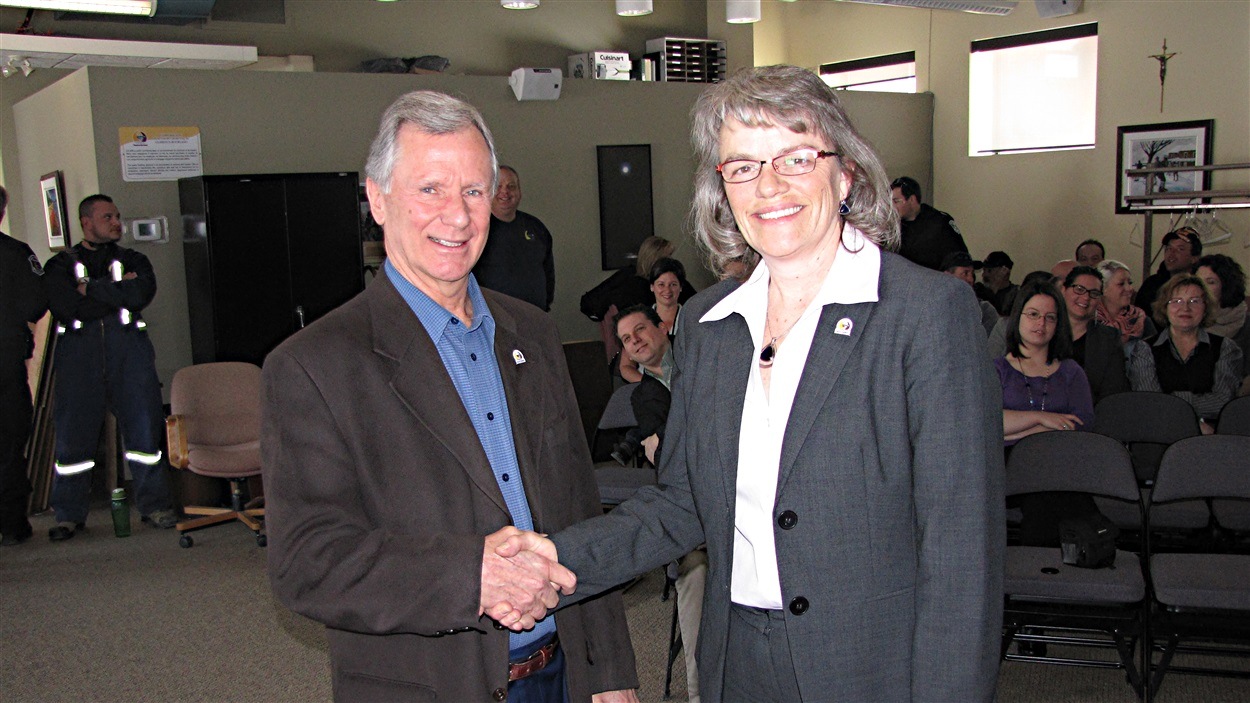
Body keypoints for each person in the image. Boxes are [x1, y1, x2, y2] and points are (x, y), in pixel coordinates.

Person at [506, 65, 1003, 702]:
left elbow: (963, 555)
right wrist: (552, 558)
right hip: (737, 660)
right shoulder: (711, 324)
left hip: (873, 669)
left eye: (795, 156)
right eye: (742, 166)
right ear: (723, 189)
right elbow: (681, 503)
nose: (768, 186)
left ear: (844, 171)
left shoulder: (926, 316)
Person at [261, 90, 638, 702]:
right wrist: (473, 577)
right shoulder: (312, 367)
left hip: (561, 674)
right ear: (377, 200)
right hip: (430, 685)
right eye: (429, 189)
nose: (457, 216)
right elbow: (308, 561)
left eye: (473, 191)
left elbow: (577, 509)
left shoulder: (535, 336)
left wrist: (610, 671)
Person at [43, 194, 178, 542]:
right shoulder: (59, 266)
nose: (116, 222)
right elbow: (67, 305)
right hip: (79, 363)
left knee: (145, 436)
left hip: (130, 360)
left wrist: (91, 290)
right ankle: (68, 515)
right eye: (107, 217)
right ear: (86, 221)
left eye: (117, 216)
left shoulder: (135, 259)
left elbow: (140, 294)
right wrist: (114, 292)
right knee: (73, 441)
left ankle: (155, 506)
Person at [613, 304, 708, 702]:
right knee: (695, 570)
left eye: (640, 330)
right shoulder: (644, 398)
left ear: (661, 327)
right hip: (691, 507)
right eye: (626, 339)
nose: (635, 340)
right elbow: (669, 454)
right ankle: (700, 691)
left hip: (738, 495)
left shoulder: (700, 359)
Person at [995, 279, 1097, 547]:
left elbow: (1082, 424)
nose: (1041, 324)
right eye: (1034, 315)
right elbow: (988, 422)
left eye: (1050, 318)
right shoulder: (996, 370)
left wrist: (1023, 429)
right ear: (1018, 317)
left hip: (1061, 462)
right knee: (1048, 494)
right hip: (1007, 466)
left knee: (1054, 492)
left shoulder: (1071, 372)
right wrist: (1042, 419)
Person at [1129, 273, 1242, 433]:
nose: (1185, 308)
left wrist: (1173, 398)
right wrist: (1193, 424)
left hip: (1211, 437)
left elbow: (1223, 402)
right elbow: (1151, 402)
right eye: (1177, 301)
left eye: (1194, 301)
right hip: (1159, 433)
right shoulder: (1144, 348)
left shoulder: (1226, 348)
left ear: (1205, 307)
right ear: (1165, 307)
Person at [0, 185, 48, 546]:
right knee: (9, 444)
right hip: (5, 361)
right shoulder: (15, 253)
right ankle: (13, 523)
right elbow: (35, 301)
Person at [472, 165, 556, 311]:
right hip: (494, 320)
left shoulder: (535, 227)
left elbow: (548, 272)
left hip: (535, 317)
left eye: (511, 186)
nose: (505, 192)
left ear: (519, 192)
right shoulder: (476, 229)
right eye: (498, 186)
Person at [1061, 266, 1129, 403]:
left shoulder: (1109, 339)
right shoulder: (1045, 331)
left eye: (1094, 293)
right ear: (1063, 290)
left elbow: (1113, 392)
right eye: (1079, 289)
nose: (1086, 298)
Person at [890, 175, 969, 271]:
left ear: (912, 199)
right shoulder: (892, 226)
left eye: (896, 201)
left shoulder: (939, 222)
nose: (892, 206)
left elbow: (959, 258)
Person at [1196, 253, 1250, 390]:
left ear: (1226, 286)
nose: (1202, 288)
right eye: (1197, 281)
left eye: (1210, 282)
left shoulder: (1246, 325)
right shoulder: (1184, 321)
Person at [1135, 227, 1201, 311]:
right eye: (1169, 248)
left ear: (1194, 258)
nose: (1171, 253)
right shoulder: (1151, 285)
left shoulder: (1200, 286)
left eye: (1180, 249)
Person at [1094, 259, 1156, 347]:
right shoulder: (1090, 321)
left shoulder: (1143, 321)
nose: (1129, 289)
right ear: (1103, 288)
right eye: (1121, 284)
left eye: (1130, 283)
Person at [941, 250, 997, 336]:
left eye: (972, 273)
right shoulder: (934, 310)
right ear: (947, 276)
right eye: (965, 273)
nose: (971, 279)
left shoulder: (985, 311)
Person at [979, 250, 1019, 316]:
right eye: (984, 270)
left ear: (1004, 272)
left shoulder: (1016, 294)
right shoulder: (980, 292)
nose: (984, 275)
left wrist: (998, 281)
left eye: (989, 271)